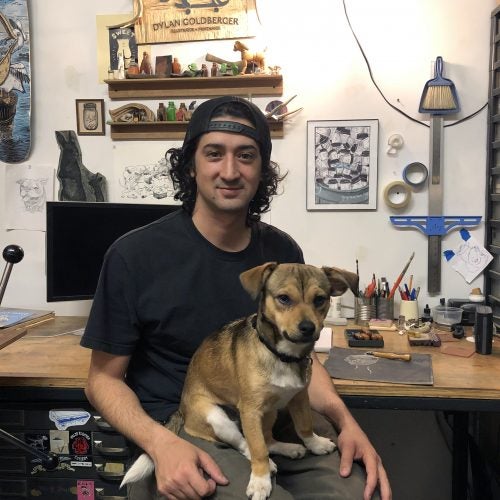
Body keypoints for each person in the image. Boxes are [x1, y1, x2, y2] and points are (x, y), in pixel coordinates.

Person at [81, 96, 391, 500]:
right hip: (190, 425)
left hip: (277, 416)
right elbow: (102, 381)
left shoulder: (282, 253)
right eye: (214, 154)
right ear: (190, 165)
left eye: (246, 156)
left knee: (355, 493)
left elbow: (300, 360)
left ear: (262, 170)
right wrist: (160, 444)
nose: (230, 171)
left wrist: (346, 422)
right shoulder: (134, 255)